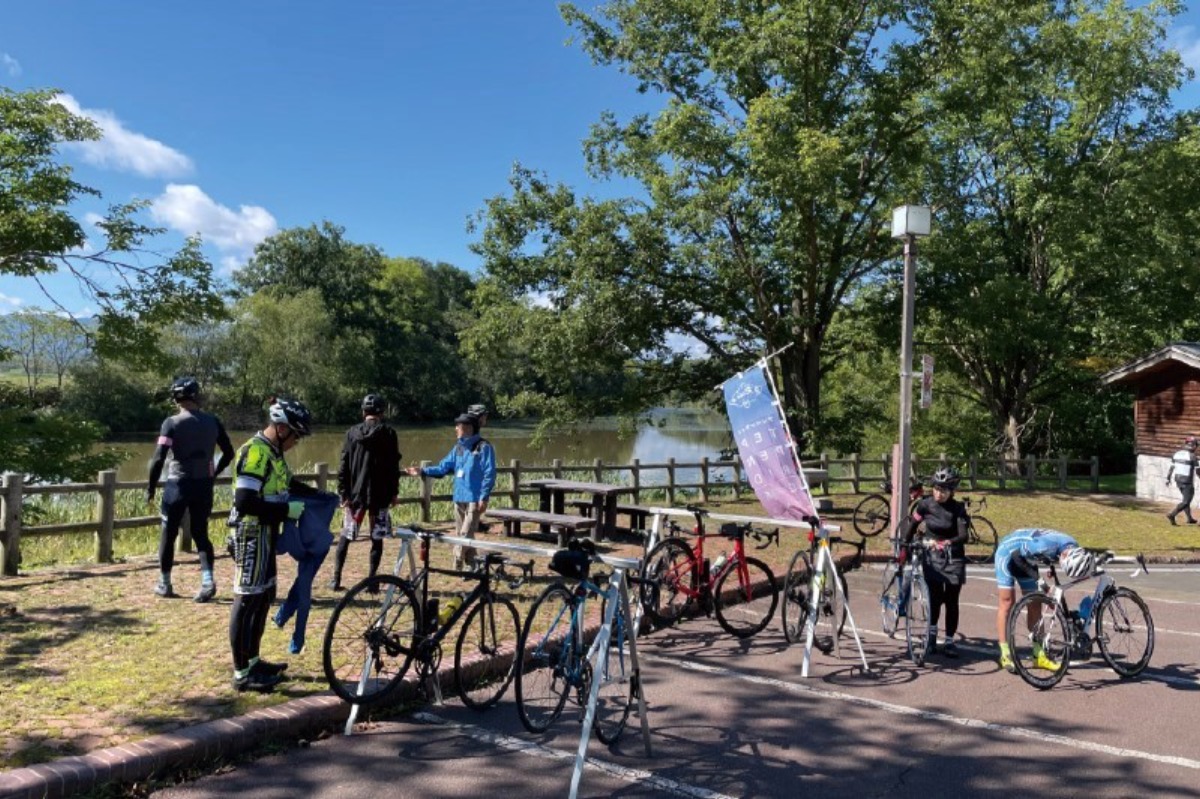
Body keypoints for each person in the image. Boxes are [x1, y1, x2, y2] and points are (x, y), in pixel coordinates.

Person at [226, 398, 319, 692]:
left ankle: (253, 660)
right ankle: (242, 673)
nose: (297, 442)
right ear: (280, 428)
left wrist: (322, 497)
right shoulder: (255, 453)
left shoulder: (274, 454)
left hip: (267, 534)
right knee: (248, 600)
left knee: (265, 597)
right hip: (250, 533)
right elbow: (245, 501)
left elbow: (289, 486)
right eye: (296, 435)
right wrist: (284, 512)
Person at [146, 377, 235, 602]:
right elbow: (229, 453)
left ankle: (164, 583)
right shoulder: (213, 421)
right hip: (203, 485)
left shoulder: (171, 423)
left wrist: (151, 487)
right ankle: (207, 582)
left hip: (178, 484)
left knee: (169, 532)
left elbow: (159, 458)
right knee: (200, 533)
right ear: (196, 396)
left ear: (176, 398)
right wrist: (213, 473)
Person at [994, 528, 1095, 674]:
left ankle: (1039, 655)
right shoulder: (1043, 546)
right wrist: (1042, 583)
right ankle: (1005, 653)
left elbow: (1053, 557)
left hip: (1027, 557)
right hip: (1009, 554)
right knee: (1007, 601)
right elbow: (1017, 557)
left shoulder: (1074, 547)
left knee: (1035, 604)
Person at [328, 393, 402, 590]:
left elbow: (343, 465)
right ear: (382, 413)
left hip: (356, 495)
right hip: (381, 494)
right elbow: (394, 466)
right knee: (376, 538)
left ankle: (336, 579)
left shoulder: (352, 433)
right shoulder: (389, 434)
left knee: (346, 536)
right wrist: (394, 492)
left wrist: (343, 492)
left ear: (363, 412)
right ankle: (372, 582)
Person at [406, 412, 495, 570]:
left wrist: (484, 497)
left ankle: (456, 565)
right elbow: (442, 468)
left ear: (467, 428)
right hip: (459, 497)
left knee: (465, 534)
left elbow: (490, 473)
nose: (455, 429)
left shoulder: (484, 447)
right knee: (463, 534)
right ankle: (474, 565)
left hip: (475, 499)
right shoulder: (459, 448)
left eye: (458, 426)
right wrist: (422, 471)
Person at [899, 466, 969, 657]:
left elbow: (964, 536)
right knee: (935, 599)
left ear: (952, 491)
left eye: (944, 490)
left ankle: (949, 641)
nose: (939, 494)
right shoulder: (925, 505)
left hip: (953, 556)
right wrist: (905, 545)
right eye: (937, 489)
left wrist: (948, 542)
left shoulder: (958, 509)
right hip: (932, 555)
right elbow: (913, 525)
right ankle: (930, 637)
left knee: (952, 600)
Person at [1165, 435, 1199, 525]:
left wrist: (1168, 479)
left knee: (1185, 499)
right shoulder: (1193, 456)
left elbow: (1171, 468)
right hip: (1187, 481)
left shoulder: (1177, 454)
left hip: (1178, 480)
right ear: (1195, 446)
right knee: (1186, 501)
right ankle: (1172, 515)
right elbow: (1198, 471)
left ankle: (1189, 518)